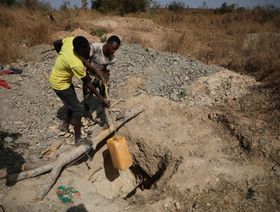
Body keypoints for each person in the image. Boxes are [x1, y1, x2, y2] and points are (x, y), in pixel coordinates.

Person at [49, 36, 110, 144]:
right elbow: (88, 84)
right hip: (60, 85)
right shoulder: (76, 64)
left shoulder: (71, 41)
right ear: (79, 51)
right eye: (86, 51)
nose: (89, 53)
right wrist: (102, 98)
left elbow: (56, 42)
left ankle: (65, 123)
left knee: (72, 102)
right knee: (79, 109)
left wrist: (96, 70)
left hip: (63, 80)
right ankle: (78, 139)